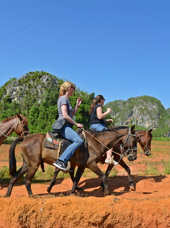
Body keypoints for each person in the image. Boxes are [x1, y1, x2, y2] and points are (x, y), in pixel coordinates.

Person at [52, 81, 84, 171]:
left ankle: (68, 161)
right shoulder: (63, 99)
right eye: (74, 88)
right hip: (63, 125)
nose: (74, 90)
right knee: (78, 141)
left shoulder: (66, 100)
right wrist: (76, 124)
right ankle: (61, 160)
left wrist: (77, 106)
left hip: (66, 125)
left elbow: (70, 115)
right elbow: (65, 116)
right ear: (69, 88)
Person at [89, 95, 115, 164]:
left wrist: (106, 120)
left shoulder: (95, 107)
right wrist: (108, 111)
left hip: (93, 126)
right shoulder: (99, 106)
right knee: (110, 138)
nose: (104, 101)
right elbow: (100, 116)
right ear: (101, 100)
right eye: (104, 100)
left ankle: (103, 154)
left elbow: (96, 118)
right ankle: (109, 158)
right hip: (97, 126)